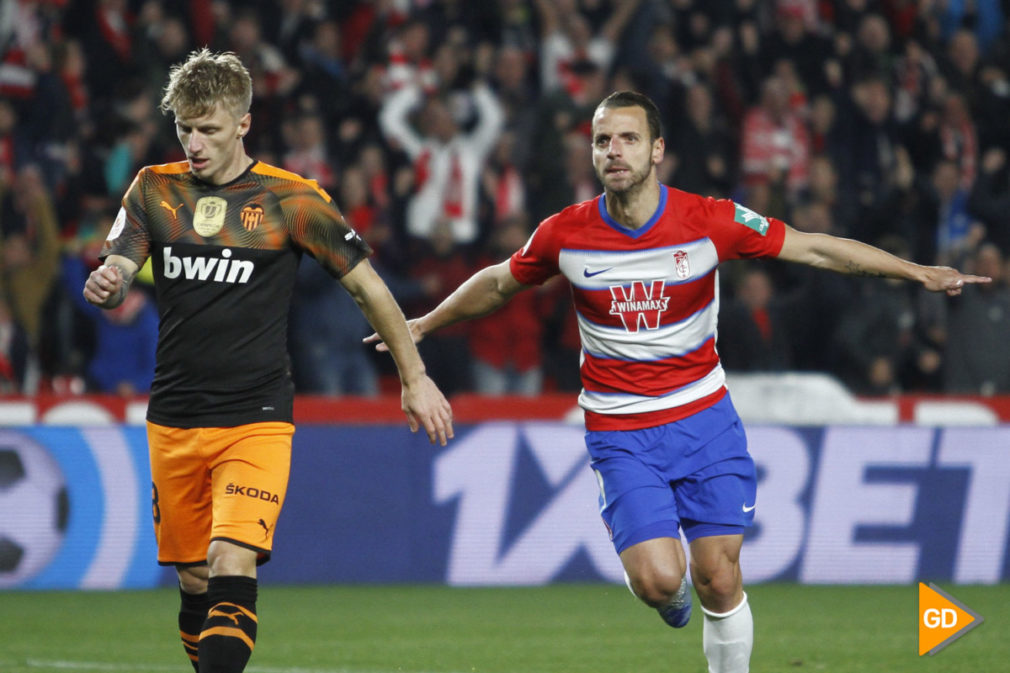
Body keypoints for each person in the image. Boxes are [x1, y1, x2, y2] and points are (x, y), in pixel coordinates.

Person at [365, 90, 989, 673]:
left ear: (656, 150)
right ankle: (668, 599)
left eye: (628, 139)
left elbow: (813, 249)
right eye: (602, 140)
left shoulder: (709, 220)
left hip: (704, 418)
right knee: (662, 580)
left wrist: (917, 272)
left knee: (719, 577)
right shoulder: (565, 233)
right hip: (621, 428)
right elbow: (500, 282)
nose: (614, 151)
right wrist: (425, 323)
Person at [82, 49, 453, 673]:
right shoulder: (154, 187)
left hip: (255, 416)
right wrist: (109, 281)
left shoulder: (292, 199)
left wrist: (414, 377)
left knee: (233, 558)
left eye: (209, 130)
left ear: (243, 123)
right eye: (184, 128)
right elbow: (120, 261)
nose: (194, 143)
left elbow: (369, 287)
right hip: (173, 415)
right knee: (195, 580)